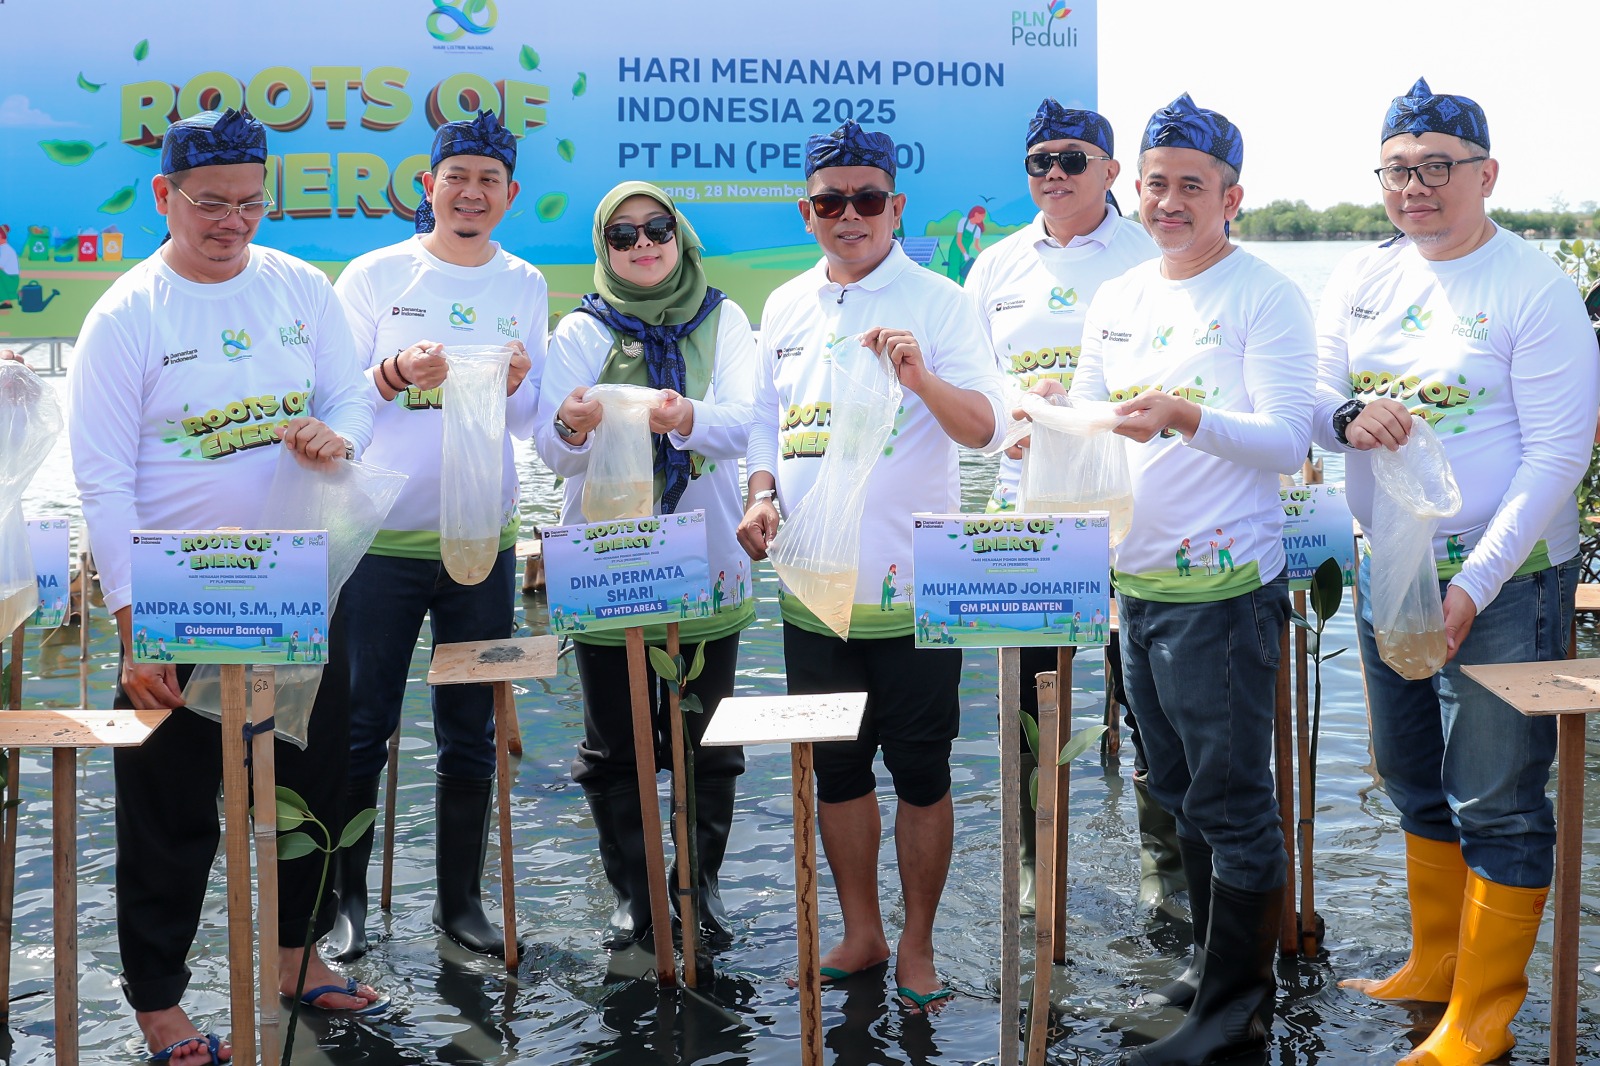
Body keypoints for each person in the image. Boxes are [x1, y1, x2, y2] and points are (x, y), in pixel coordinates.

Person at [66, 108, 379, 1066]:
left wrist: (338, 433)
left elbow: (352, 394)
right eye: (210, 204)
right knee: (168, 810)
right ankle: (160, 1003)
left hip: (294, 582)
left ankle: (296, 955)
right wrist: (135, 623)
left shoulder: (301, 288)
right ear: (164, 196)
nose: (232, 222)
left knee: (313, 781)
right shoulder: (127, 314)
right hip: (176, 596)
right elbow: (102, 481)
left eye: (250, 203)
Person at [1314, 77, 1598, 1066]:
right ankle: (1434, 966)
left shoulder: (1531, 287)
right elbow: (1313, 395)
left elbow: (1557, 456)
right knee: (1409, 775)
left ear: (1487, 175)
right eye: (1397, 169)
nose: (1415, 187)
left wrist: (1472, 585)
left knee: (1498, 798)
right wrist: (1344, 416)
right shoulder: (1361, 278)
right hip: (1387, 566)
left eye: (1438, 167)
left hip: (1510, 581)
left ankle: (1482, 1016)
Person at [1033, 94, 1314, 1064]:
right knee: (1182, 792)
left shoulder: (1265, 294)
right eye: (1155, 183)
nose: (1168, 201)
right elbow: (1092, 416)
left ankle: (1237, 1014)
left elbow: (1288, 441)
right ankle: (1206, 972)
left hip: (1224, 593)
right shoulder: (1118, 297)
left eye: (1192, 185)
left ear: (1231, 197)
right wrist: (1048, 416)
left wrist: (1186, 416)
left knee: (1233, 804)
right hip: (1138, 587)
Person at [738, 121, 1007, 1014]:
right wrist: (761, 493)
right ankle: (863, 933)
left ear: (896, 207)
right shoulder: (785, 305)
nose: (848, 216)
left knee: (922, 774)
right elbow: (765, 427)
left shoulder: (940, 301)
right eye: (830, 202)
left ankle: (918, 945)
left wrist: (921, 379)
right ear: (806, 212)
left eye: (866, 200)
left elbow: (986, 429)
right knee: (838, 772)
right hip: (812, 589)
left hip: (914, 589)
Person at [326, 108, 545, 961]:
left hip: (480, 543)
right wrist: (391, 373)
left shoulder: (524, 282)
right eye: (457, 177)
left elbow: (528, 422)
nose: (472, 193)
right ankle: (344, 902)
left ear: (510, 194)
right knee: (361, 725)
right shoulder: (376, 274)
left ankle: (460, 903)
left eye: (489, 180)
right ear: (429, 185)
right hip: (380, 541)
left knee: (469, 727)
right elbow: (335, 402)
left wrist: (519, 384)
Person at [963, 98, 1173, 917]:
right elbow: (972, 383)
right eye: (1039, 161)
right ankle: (1033, 860)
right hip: (1030, 511)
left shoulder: (1149, 254)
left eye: (1072, 159)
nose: (1054, 173)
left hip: (1134, 508)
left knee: (1144, 694)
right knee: (1029, 692)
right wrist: (1011, 422)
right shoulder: (996, 266)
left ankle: (1164, 866)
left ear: (1111, 171)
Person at [536, 181, 757, 950]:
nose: (642, 245)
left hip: (706, 553)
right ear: (604, 249)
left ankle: (699, 888)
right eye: (622, 235)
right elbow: (552, 453)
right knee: (614, 745)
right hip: (608, 564)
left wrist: (685, 416)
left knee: (707, 737)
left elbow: (746, 423)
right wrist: (572, 424)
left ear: (679, 235)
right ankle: (636, 894)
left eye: (657, 228)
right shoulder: (580, 329)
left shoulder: (724, 319)